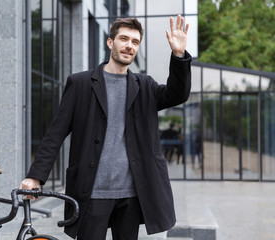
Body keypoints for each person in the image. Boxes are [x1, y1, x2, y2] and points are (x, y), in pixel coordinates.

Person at [20, 15, 191, 240]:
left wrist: (178, 55)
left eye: (135, 42)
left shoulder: (145, 86)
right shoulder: (80, 84)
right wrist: (36, 176)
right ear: (110, 42)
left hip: (131, 194)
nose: (129, 45)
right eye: (124, 39)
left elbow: (177, 94)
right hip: (92, 193)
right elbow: (55, 133)